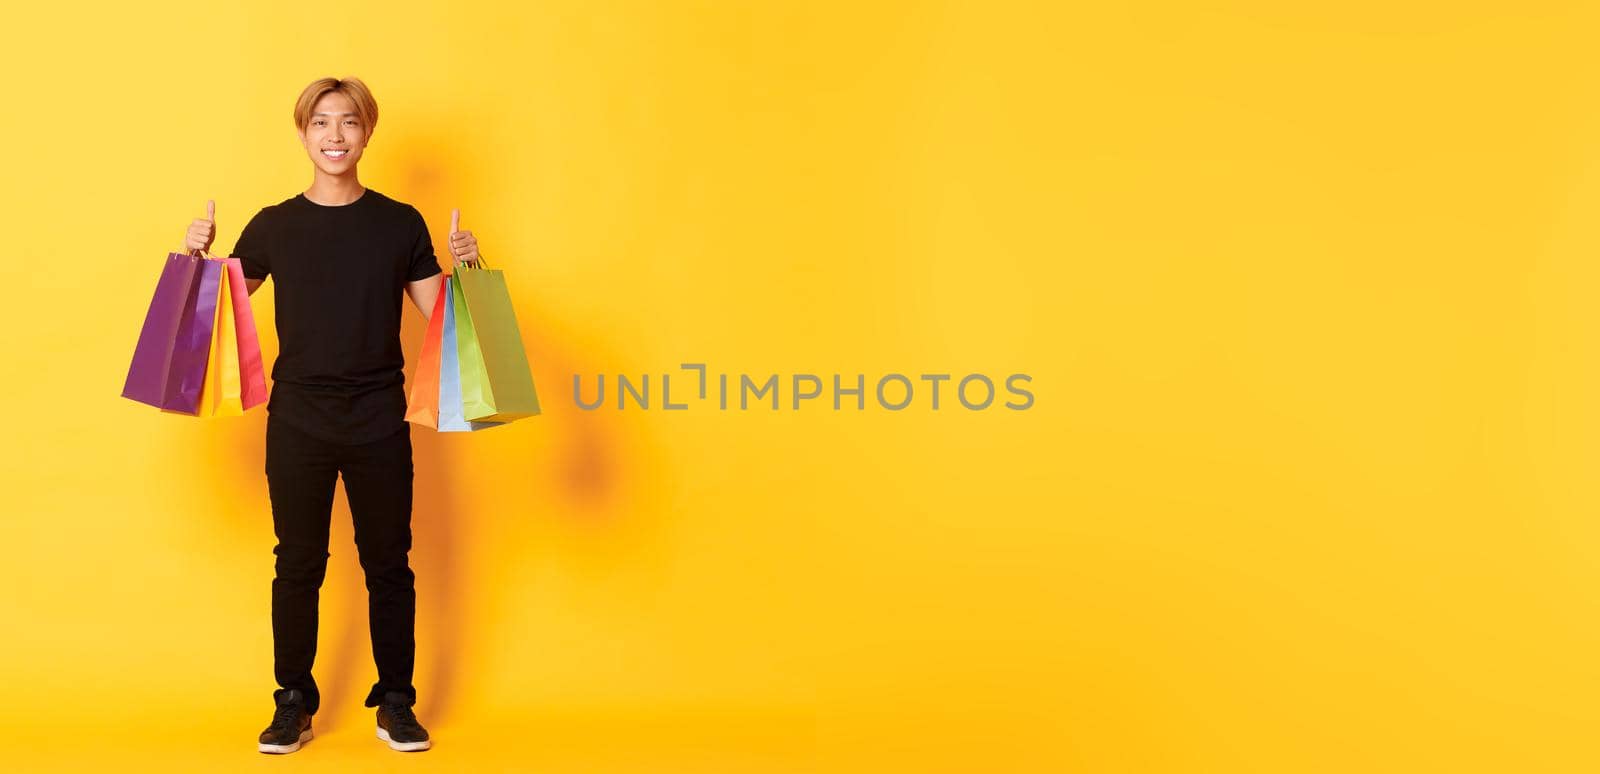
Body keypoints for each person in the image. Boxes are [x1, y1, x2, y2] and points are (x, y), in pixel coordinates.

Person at [182, 76, 481, 754]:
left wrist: (473, 268)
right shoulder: (274, 225)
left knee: (388, 563)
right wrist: (195, 260)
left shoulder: (400, 223)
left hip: (379, 418)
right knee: (297, 563)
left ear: (367, 133)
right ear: (303, 135)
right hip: (298, 421)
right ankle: (292, 701)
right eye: (321, 123)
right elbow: (217, 315)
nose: (336, 135)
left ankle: (397, 702)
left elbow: (444, 319)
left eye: (348, 122)